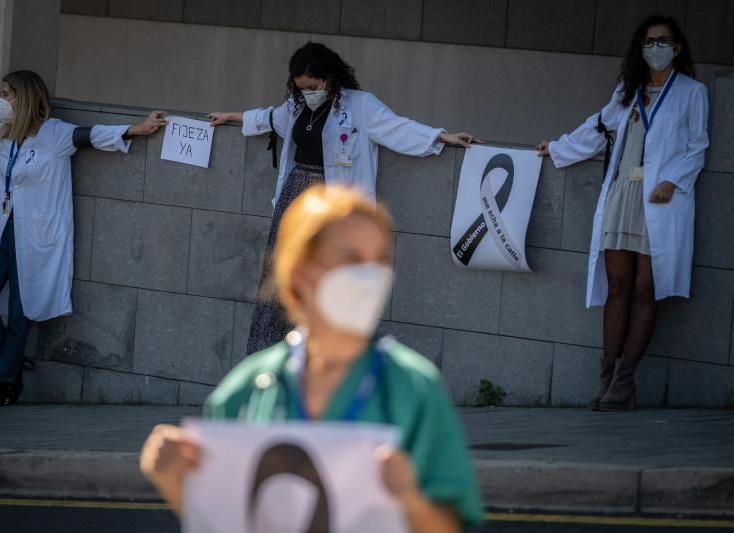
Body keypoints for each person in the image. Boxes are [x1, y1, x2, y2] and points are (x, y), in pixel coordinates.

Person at [140, 185, 484, 532]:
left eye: (380, 259)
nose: (372, 275)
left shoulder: (415, 389)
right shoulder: (244, 390)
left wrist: (411, 500)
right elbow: (224, 521)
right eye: (352, 259)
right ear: (301, 273)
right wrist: (172, 482)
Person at [208, 41, 481, 356]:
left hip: (335, 202)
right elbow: (269, 118)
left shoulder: (360, 106)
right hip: (295, 198)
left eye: (312, 87)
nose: (307, 93)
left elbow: (397, 128)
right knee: (285, 274)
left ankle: (322, 353)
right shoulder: (296, 106)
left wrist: (440, 137)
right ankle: (269, 352)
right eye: (300, 88)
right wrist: (229, 115)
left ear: (329, 77)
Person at [0, 70, 167, 407]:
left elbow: (92, 136)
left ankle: (4, 383)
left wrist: (136, 129)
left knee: (21, 310)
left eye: (7, 93)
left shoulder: (54, 134)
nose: (1, 100)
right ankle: (11, 364)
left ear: (24, 97)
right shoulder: (2, 135)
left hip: (37, 234)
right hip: (2, 229)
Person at [535, 15, 708, 411]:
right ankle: (608, 378)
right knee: (617, 286)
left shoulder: (692, 93)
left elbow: (698, 146)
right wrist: (558, 149)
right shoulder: (627, 92)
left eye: (663, 41)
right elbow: (598, 128)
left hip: (661, 200)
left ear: (677, 48)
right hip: (623, 195)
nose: (656, 48)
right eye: (649, 41)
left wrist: (674, 181)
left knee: (647, 288)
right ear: (640, 47)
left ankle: (626, 379)